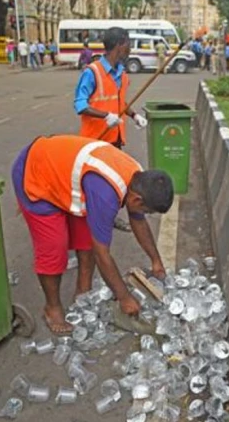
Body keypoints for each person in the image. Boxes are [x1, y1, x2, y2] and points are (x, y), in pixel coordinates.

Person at [11, 134, 174, 334]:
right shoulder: (106, 195)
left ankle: (83, 291)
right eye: (148, 210)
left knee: (86, 239)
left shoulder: (138, 178)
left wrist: (156, 260)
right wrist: (124, 298)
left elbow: (138, 220)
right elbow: (102, 254)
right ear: (138, 200)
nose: (145, 215)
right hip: (35, 172)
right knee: (54, 248)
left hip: (66, 173)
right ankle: (52, 308)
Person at [74, 27, 149, 231]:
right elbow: (80, 105)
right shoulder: (92, 72)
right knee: (96, 185)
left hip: (114, 139)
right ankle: (91, 222)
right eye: (129, 44)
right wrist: (105, 116)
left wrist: (134, 116)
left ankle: (110, 215)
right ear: (119, 45)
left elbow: (119, 101)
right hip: (95, 142)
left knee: (116, 180)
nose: (130, 48)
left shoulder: (121, 74)